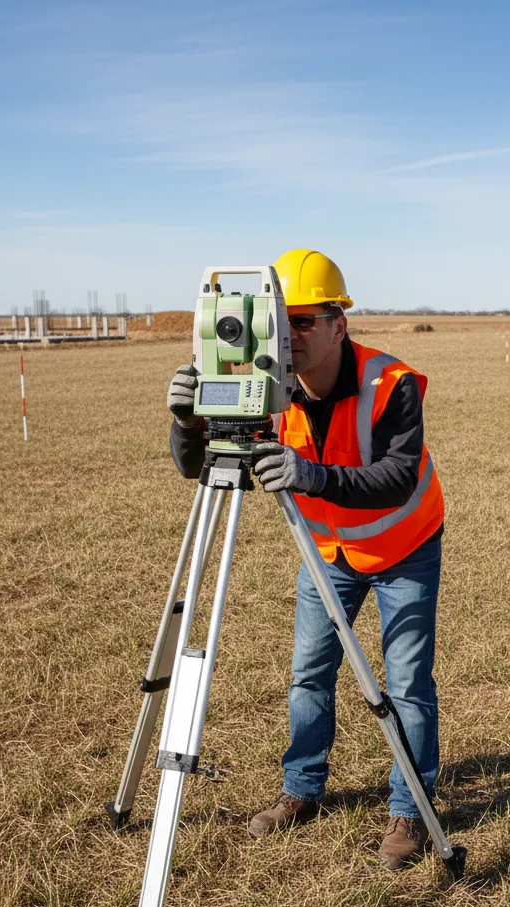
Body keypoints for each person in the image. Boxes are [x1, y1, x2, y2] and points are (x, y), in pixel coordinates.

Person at [166, 249, 445, 870]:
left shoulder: (390, 383)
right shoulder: (265, 384)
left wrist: (310, 475)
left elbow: (398, 477)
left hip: (405, 546)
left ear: (339, 324)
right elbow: (199, 467)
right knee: (309, 674)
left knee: (404, 684)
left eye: (303, 321)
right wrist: (186, 421)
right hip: (328, 554)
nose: (287, 335)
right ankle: (301, 790)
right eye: (278, 319)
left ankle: (411, 807)